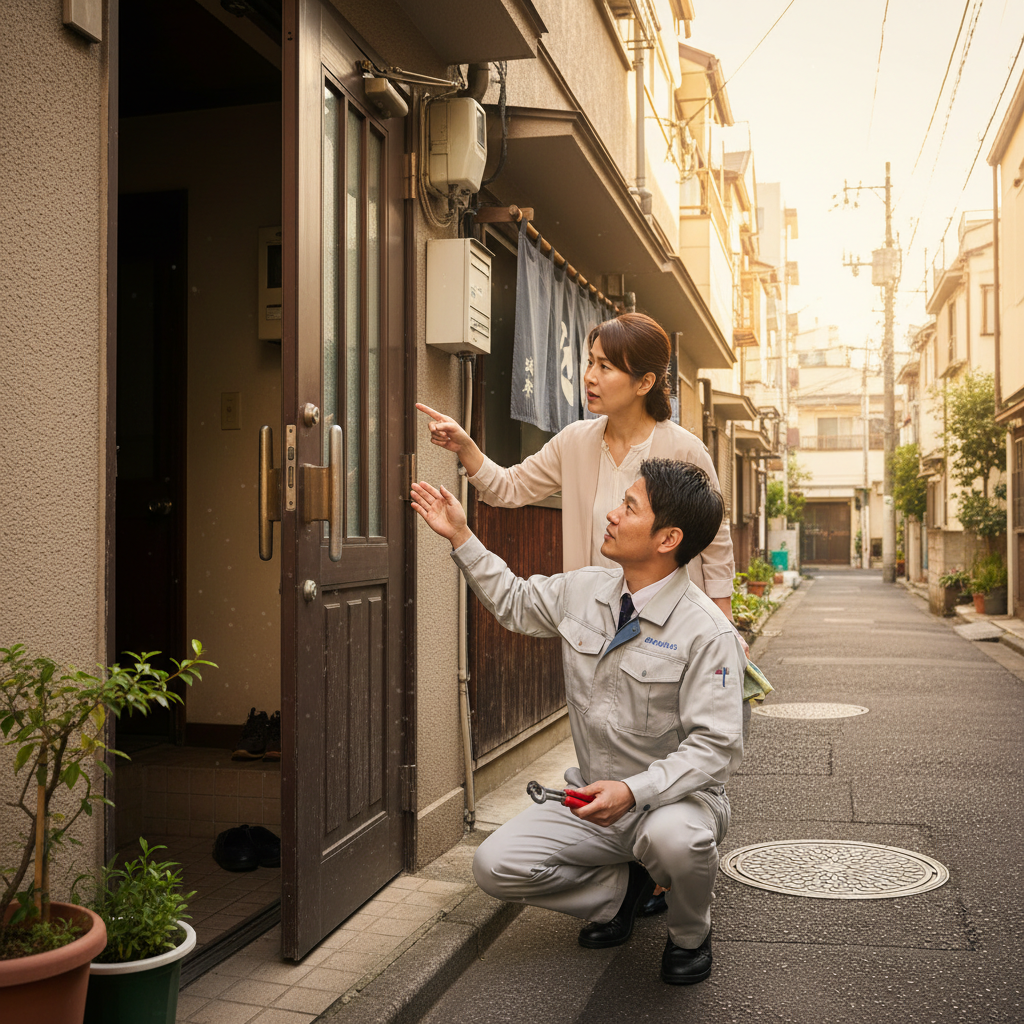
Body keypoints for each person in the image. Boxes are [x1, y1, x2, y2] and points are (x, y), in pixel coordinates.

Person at [410, 458, 745, 985]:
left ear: (667, 538)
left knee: (674, 841)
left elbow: (715, 748)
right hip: (590, 800)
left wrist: (634, 792)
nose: (611, 514)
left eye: (629, 506)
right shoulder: (585, 590)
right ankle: (620, 898)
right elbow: (516, 602)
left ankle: (689, 934)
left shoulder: (709, 633)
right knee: (494, 865)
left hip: (676, 804)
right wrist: (460, 535)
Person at [415, 311, 736, 622]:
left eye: (605, 366)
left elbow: (715, 538)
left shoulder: (685, 449)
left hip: (669, 624)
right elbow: (509, 488)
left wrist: (723, 614)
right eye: (590, 362)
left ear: (644, 382)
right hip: (593, 619)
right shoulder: (574, 441)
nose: (589, 376)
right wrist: (465, 446)